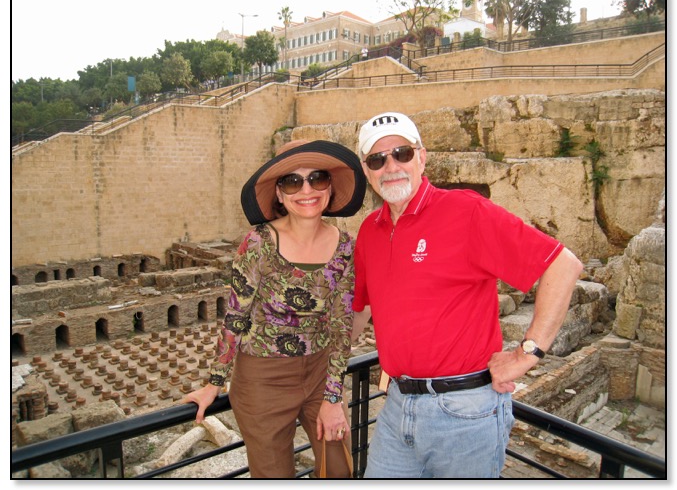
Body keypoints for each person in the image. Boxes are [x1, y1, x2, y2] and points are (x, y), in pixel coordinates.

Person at [351, 112, 584, 478]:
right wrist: (319, 363)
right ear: (367, 170)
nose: (391, 166)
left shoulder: (465, 211)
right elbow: (360, 308)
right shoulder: (370, 230)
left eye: (402, 154)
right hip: (397, 405)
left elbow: (562, 265)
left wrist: (528, 352)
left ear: (422, 157)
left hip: (464, 411)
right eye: (378, 160)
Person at [181, 139, 367, 478]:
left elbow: (342, 323)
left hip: (320, 371)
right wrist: (214, 383)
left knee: (338, 470)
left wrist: (333, 396)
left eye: (317, 178)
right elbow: (236, 315)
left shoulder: (345, 247)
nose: (306, 190)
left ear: (330, 188)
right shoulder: (258, 243)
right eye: (292, 182)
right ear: (279, 194)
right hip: (262, 378)